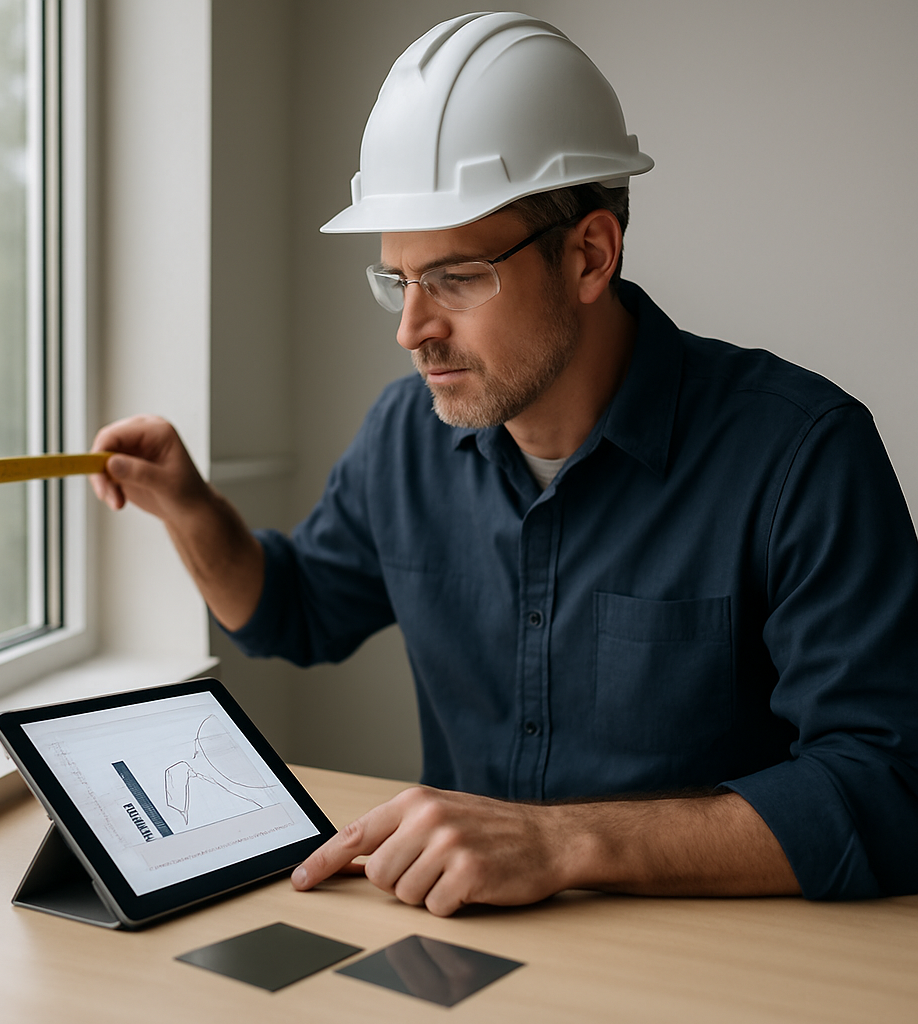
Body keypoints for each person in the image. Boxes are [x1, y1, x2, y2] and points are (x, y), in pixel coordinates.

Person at [90, 12, 918, 917]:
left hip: (712, 958)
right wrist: (189, 507)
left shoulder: (801, 454)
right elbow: (294, 611)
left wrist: (563, 841)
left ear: (589, 255)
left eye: (455, 278)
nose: (412, 330)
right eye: (398, 282)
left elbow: (888, 785)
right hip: (461, 942)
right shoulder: (405, 435)